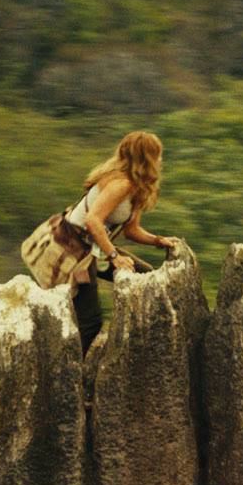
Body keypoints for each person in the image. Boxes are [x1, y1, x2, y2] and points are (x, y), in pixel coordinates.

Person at [57, 130, 183, 350]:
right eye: (158, 155)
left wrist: (158, 240)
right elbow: (93, 221)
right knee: (90, 321)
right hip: (73, 250)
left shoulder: (136, 187)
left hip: (93, 248)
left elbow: (131, 230)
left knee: (147, 278)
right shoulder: (120, 184)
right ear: (147, 159)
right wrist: (114, 257)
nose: (161, 160)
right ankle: (75, 370)